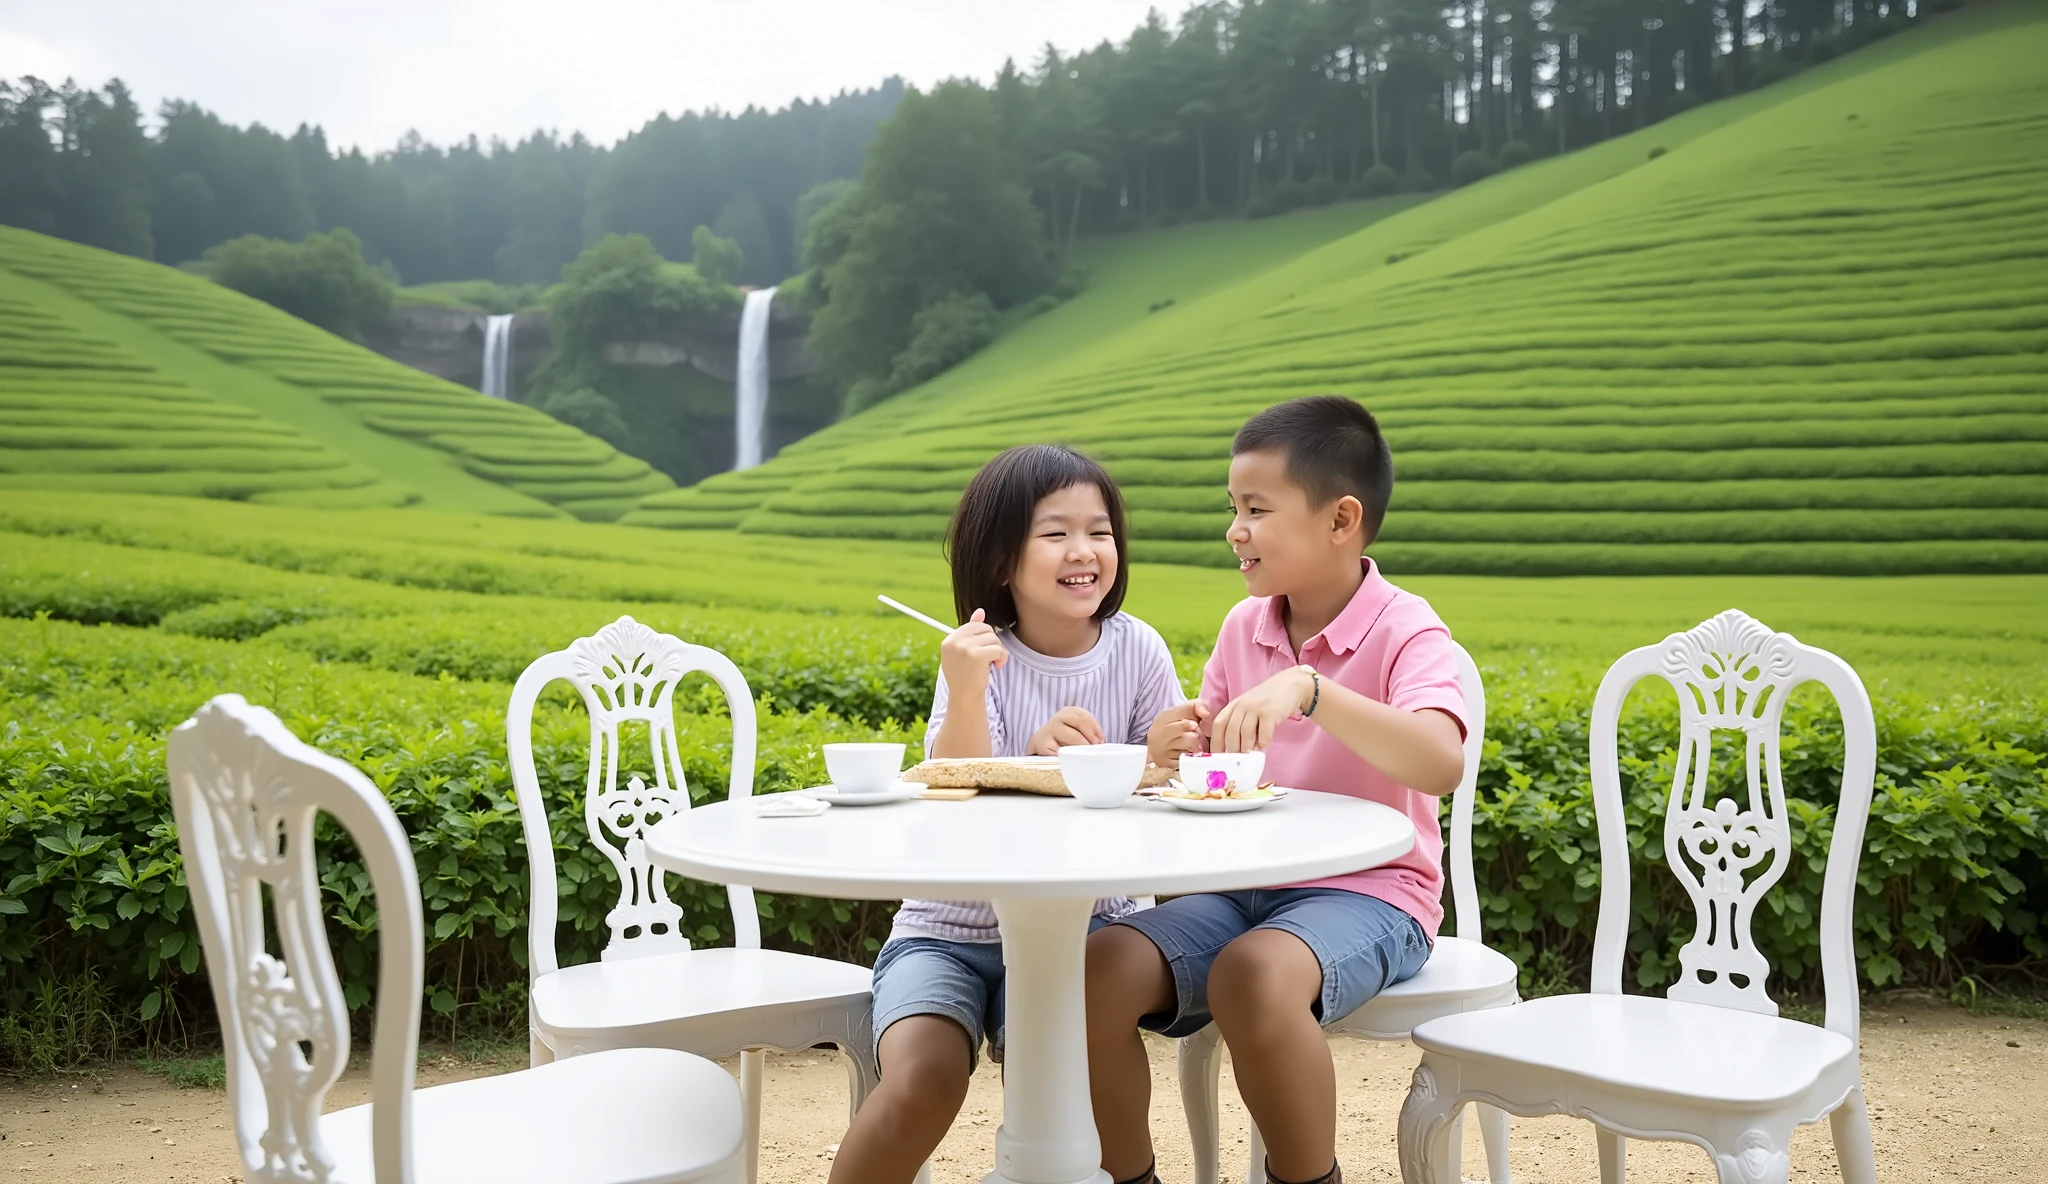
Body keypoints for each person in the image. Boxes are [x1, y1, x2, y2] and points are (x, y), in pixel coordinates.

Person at [1088, 396, 1469, 1184]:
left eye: (1257, 509)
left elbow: (1439, 762)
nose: (1236, 529)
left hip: (1374, 896)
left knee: (1252, 975)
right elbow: (1221, 779)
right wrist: (1170, 754)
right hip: (1242, 889)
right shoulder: (1244, 627)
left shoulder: (1407, 629)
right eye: (1233, 508)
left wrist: (1311, 690)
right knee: (1095, 971)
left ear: (1341, 520)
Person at [830, 444, 1188, 1184]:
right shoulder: (975, 658)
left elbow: (1166, 799)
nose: (1084, 551)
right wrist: (970, 698)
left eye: (1100, 531)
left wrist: (1159, 754)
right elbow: (950, 793)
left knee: (1078, 1071)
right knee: (922, 1079)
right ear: (1001, 559)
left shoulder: (1138, 649)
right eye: (1056, 533)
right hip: (947, 933)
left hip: (1090, 928)